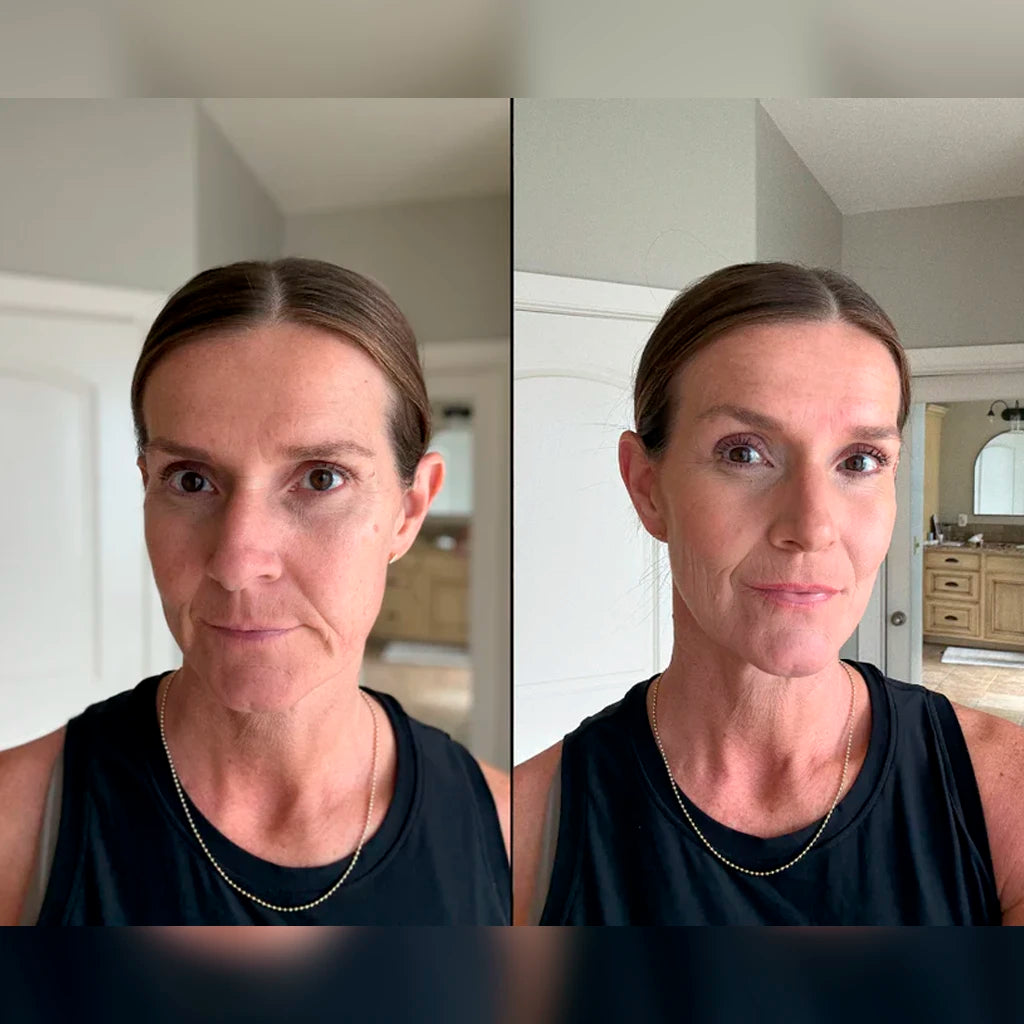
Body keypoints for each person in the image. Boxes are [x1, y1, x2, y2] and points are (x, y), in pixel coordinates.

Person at [0, 257, 509, 925]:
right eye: (190, 479)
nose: (238, 563)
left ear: (410, 510)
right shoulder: (17, 826)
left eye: (321, 478)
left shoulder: (508, 833)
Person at [513, 261, 1024, 925]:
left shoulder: (1004, 794)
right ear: (647, 487)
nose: (811, 527)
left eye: (860, 461)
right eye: (743, 453)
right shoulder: (516, 835)